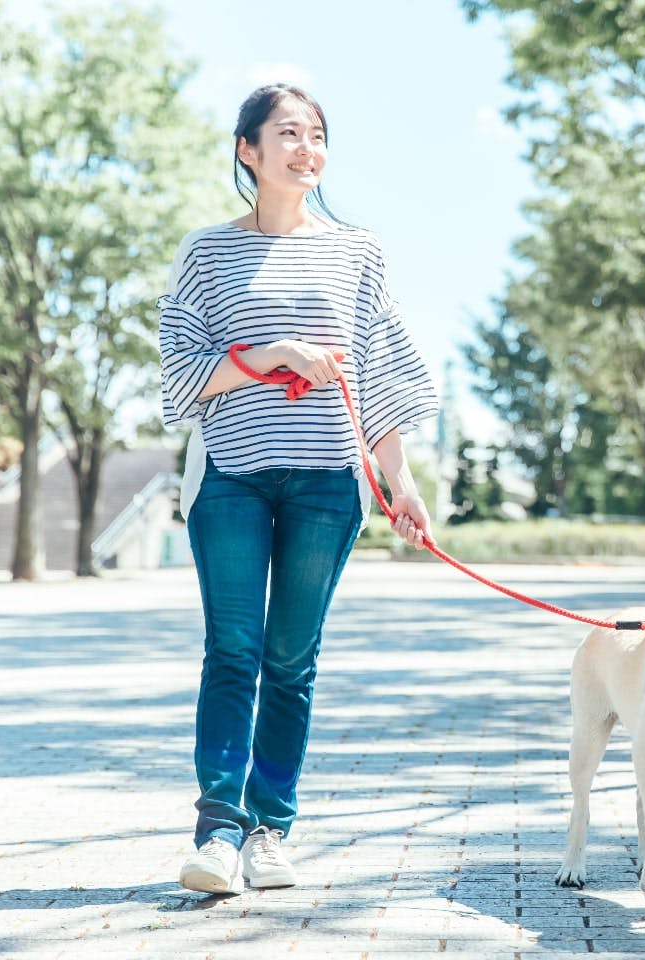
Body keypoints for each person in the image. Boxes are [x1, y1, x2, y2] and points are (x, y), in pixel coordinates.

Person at [158, 83, 437, 895]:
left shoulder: (358, 252)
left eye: (317, 135)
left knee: (290, 660)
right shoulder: (206, 253)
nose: (306, 148)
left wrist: (403, 486)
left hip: (327, 485)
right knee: (233, 651)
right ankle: (217, 832)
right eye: (288, 133)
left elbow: (379, 378)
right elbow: (179, 374)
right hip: (231, 479)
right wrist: (270, 353)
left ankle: (271, 830)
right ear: (248, 150)